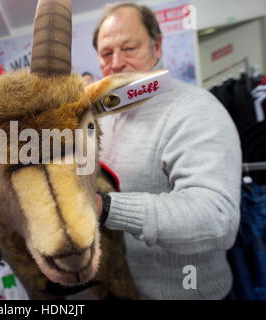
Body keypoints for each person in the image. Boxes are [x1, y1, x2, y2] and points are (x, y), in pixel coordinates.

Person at [94, 3, 242, 300]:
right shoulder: (104, 116)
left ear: (157, 46)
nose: (117, 62)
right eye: (107, 53)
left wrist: (106, 208)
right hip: (125, 290)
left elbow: (218, 219)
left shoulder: (195, 109)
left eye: (129, 48)